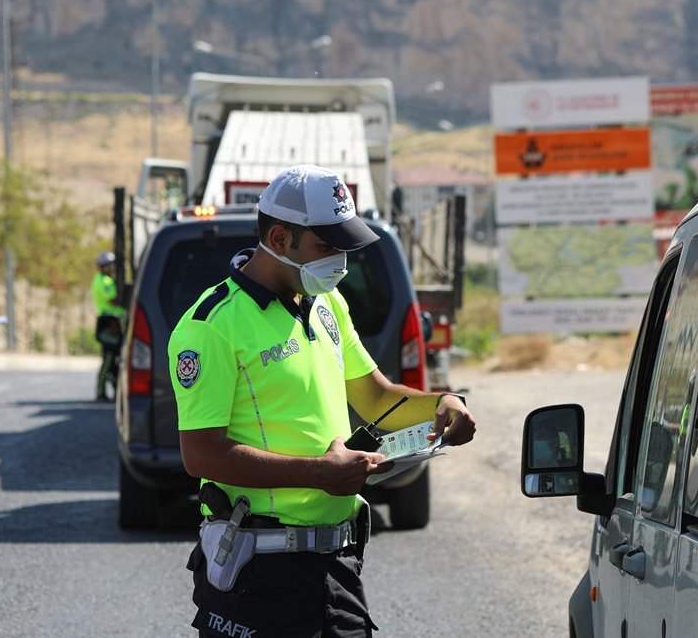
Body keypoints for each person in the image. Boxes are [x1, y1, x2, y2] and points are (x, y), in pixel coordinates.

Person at [169, 164, 477, 637]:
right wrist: (319, 473)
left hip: (337, 566)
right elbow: (201, 454)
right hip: (258, 573)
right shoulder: (211, 325)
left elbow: (376, 395)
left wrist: (443, 404)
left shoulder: (327, 304)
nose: (341, 260)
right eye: (327, 246)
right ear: (278, 237)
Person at [91, 251, 125, 402]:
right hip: (109, 321)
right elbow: (112, 300)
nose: (111, 267)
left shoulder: (105, 279)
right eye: (108, 265)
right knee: (108, 358)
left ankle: (112, 389)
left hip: (112, 320)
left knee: (112, 358)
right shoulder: (104, 281)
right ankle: (100, 391)